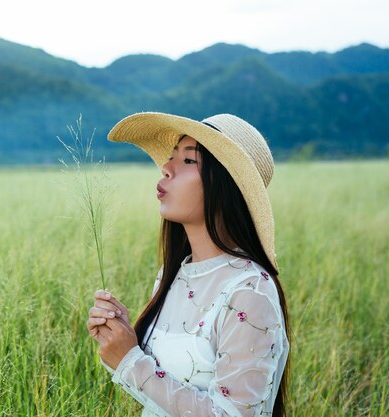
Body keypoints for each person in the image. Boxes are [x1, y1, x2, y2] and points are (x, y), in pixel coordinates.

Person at [87, 112, 290, 417]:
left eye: (188, 161)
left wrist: (130, 361)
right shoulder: (173, 276)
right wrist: (120, 339)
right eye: (171, 158)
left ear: (226, 186)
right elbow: (161, 387)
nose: (166, 169)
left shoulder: (249, 291)